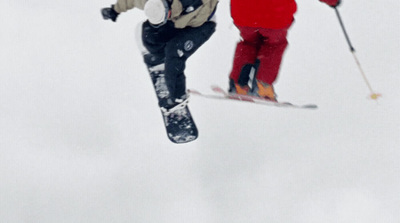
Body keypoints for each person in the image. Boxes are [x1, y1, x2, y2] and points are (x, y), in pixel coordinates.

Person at [101, 0, 218, 111]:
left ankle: (178, 97)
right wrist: (115, 10)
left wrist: (176, 45)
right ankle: (162, 58)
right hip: (175, 20)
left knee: (175, 52)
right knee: (149, 33)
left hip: (202, 24)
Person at [228, 0, 341, 101]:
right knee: (274, 46)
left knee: (249, 43)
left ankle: (238, 85)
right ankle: (262, 86)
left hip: (243, 13)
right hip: (275, 14)